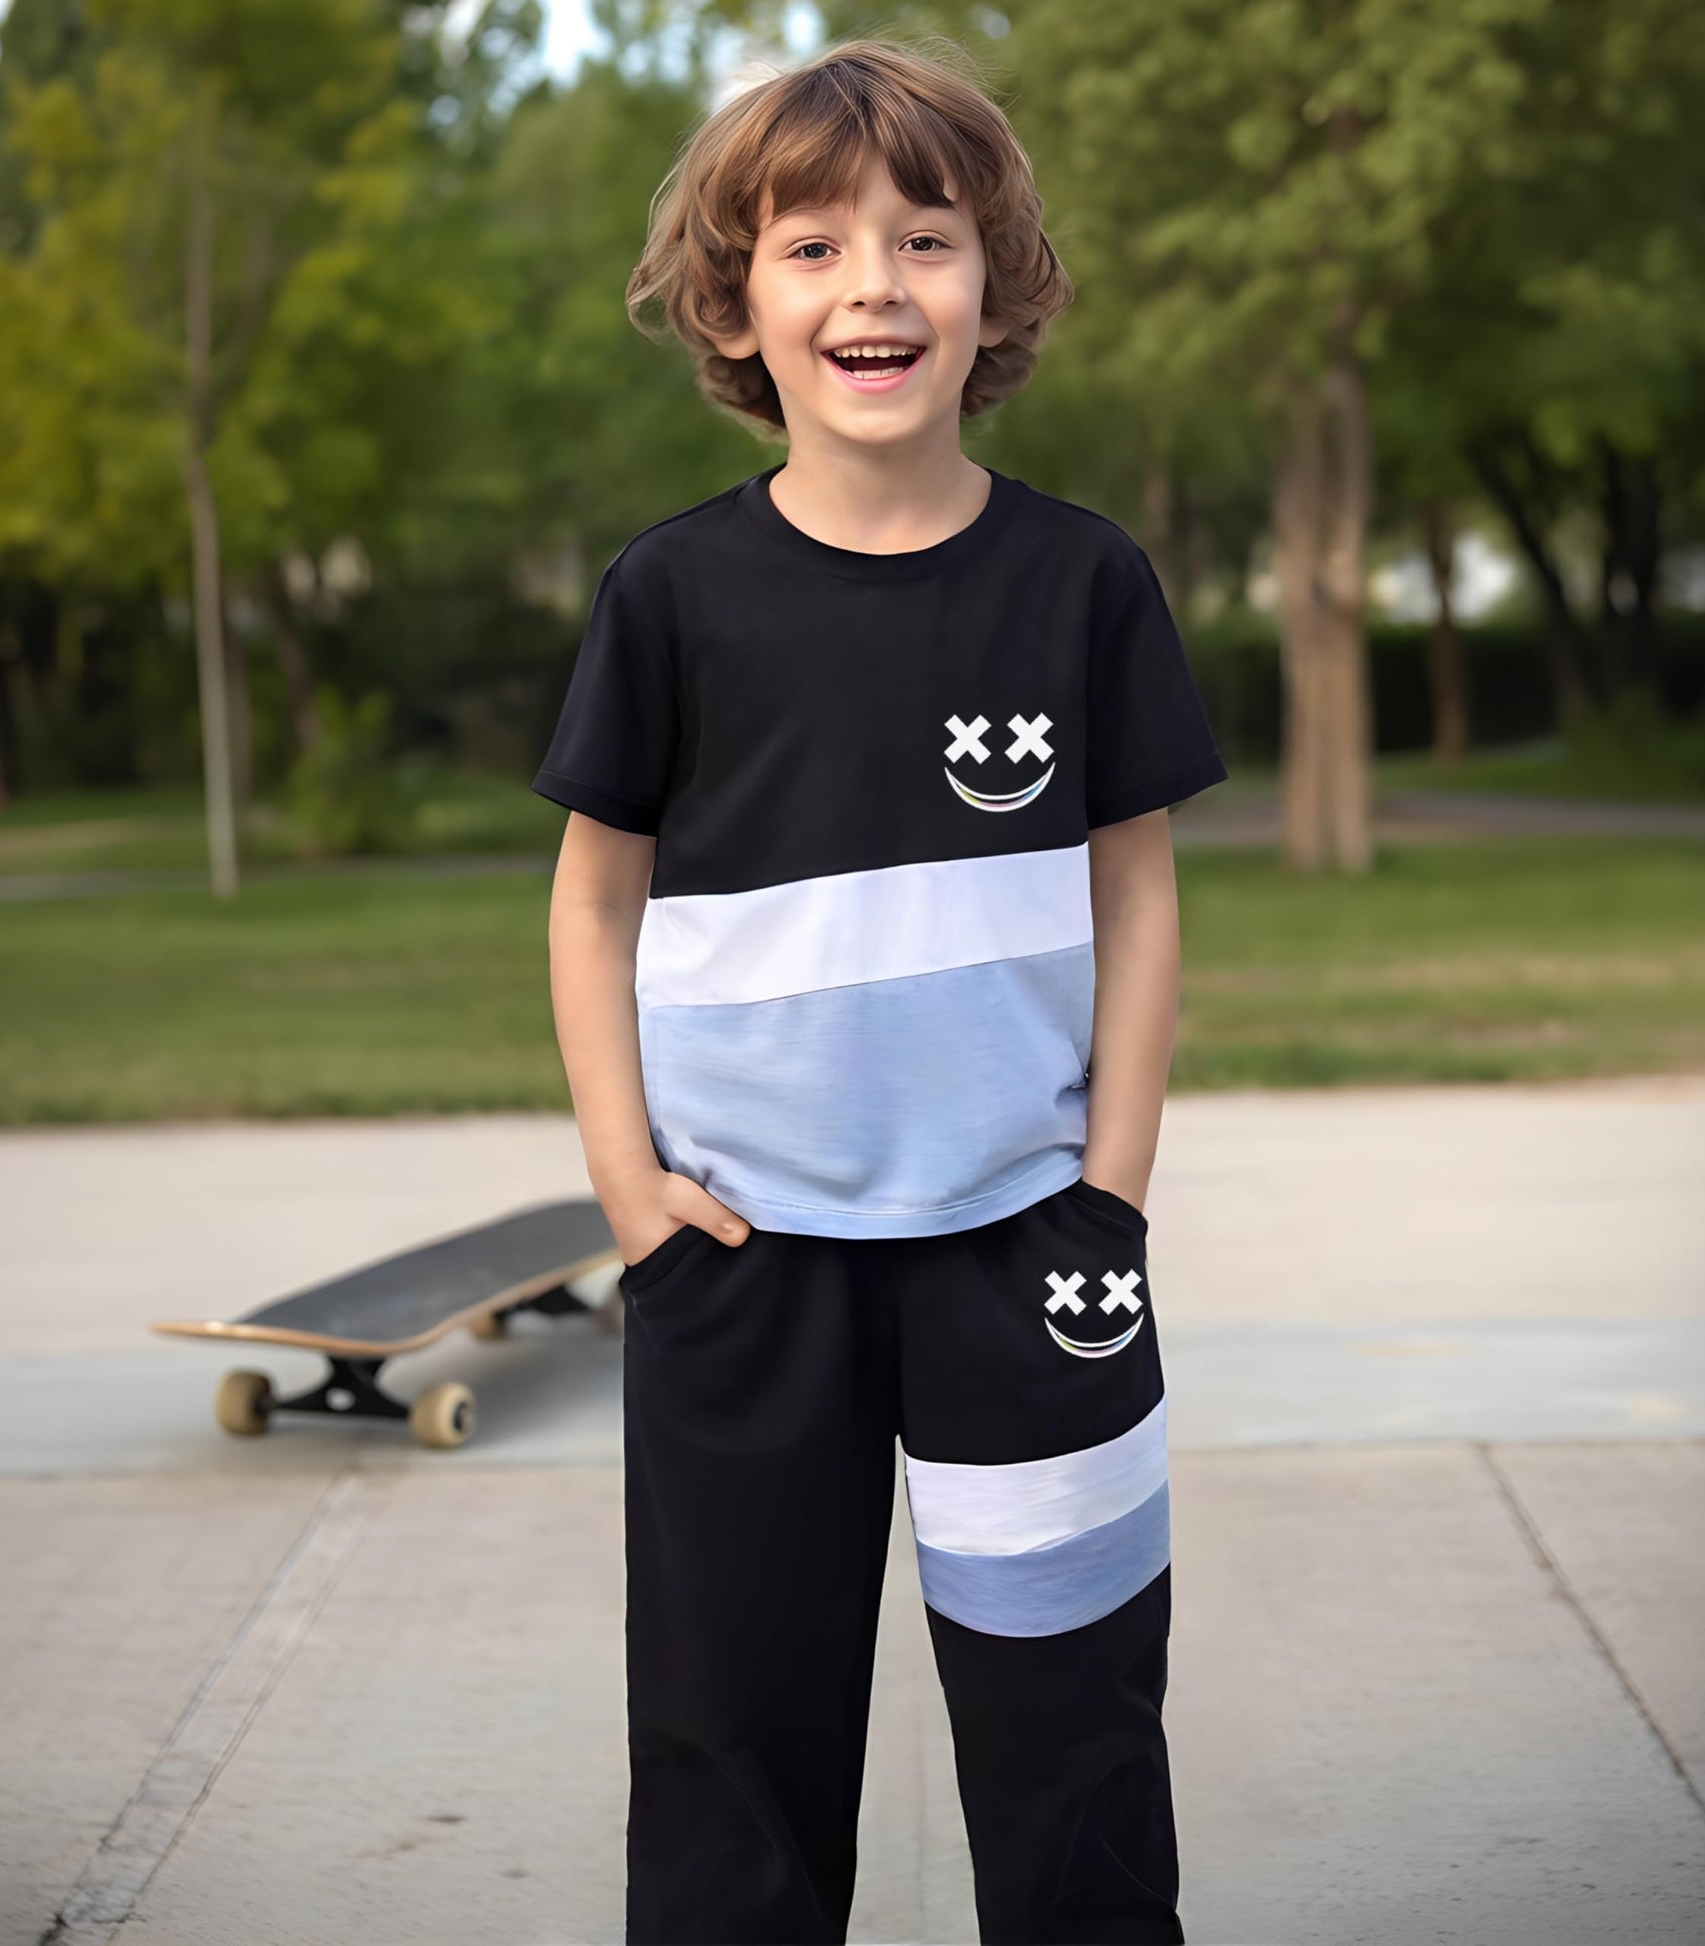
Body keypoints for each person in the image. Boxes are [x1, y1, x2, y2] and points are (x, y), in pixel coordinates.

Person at [531, 36, 1228, 1945]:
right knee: (729, 1757)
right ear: (732, 300)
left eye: (924, 239)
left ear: (992, 282)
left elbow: (1138, 898)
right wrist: (628, 1190)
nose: (871, 288)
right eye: (812, 245)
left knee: (1072, 1743)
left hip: (1031, 1248)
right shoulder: (671, 597)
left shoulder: (1080, 583)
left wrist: (1113, 1185)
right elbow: (593, 907)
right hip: (742, 1259)